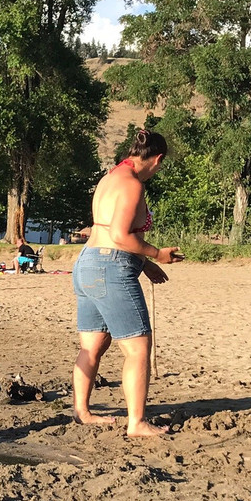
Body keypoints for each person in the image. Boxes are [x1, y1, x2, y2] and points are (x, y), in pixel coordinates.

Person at [71, 129, 183, 438]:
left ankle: (82, 411)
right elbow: (120, 236)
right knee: (137, 348)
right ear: (157, 159)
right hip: (111, 267)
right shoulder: (133, 185)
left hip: (87, 263)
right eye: (161, 165)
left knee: (92, 345)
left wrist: (143, 263)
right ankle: (137, 423)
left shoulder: (110, 177)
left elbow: (107, 230)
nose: (158, 170)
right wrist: (157, 254)